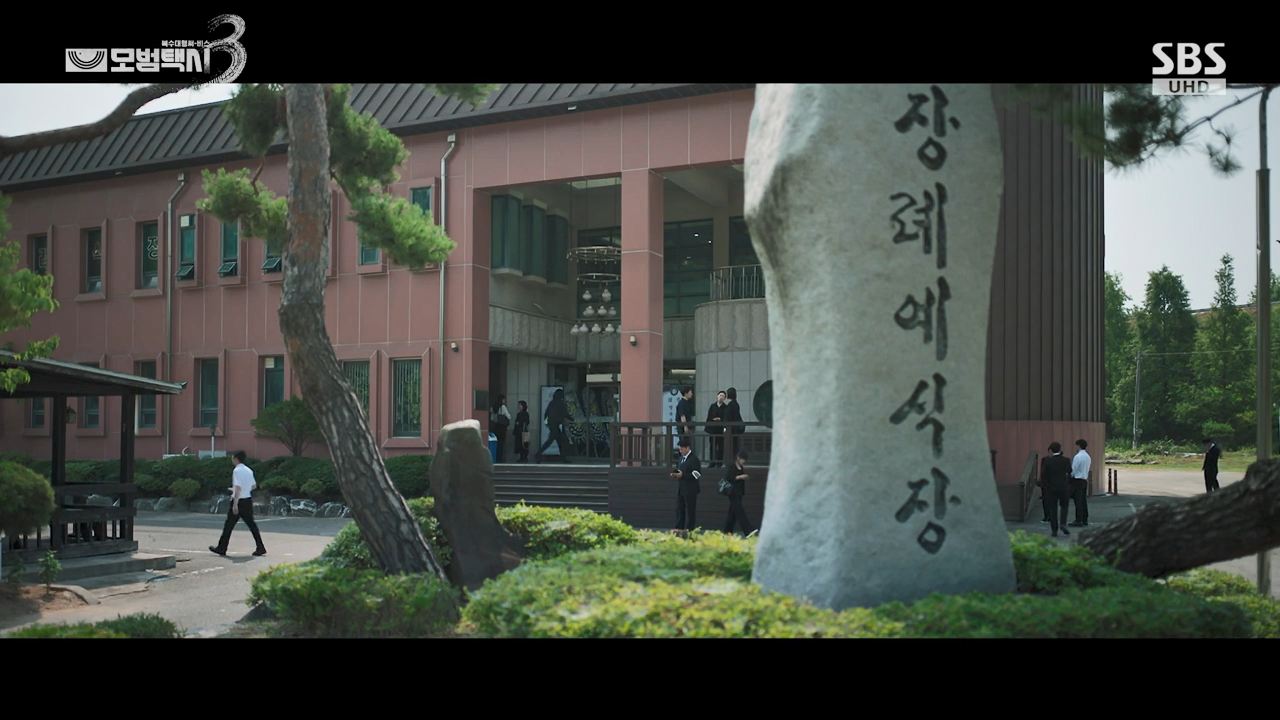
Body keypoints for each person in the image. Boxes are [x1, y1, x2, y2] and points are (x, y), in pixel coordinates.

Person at [209, 451, 266, 557]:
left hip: (239, 500)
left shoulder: (237, 470)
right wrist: (242, 490)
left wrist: (235, 504)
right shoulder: (249, 470)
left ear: (236, 458)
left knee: (229, 525)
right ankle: (260, 547)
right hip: (247, 500)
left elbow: (238, 487)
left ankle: (222, 548)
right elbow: (253, 486)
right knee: (252, 525)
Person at [669, 437, 702, 533]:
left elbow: (697, 474)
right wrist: (675, 474)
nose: (680, 451)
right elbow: (679, 470)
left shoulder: (694, 459)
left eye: (682, 449)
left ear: (687, 448)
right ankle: (679, 528)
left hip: (691, 489)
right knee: (679, 509)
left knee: (690, 510)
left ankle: (690, 530)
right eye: (679, 449)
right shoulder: (681, 459)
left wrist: (683, 475)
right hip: (681, 488)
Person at [1041, 441, 1073, 538]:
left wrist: (1046, 486)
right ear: (1060, 449)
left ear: (1051, 450)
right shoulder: (1066, 460)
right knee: (1064, 506)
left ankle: (1054, 530)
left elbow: (1044, 476)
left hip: (1051, 488)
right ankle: (1063, 523)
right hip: (1063, 487)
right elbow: (1070, 471)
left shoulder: (1047, 461)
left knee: (1053, 509)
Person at [722, 449, 755, 536]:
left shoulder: (741, 467)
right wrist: (740, 477)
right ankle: (748, 531)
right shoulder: (732, 466)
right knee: (740, 512)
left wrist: (744, 477)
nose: (744, 461)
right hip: (732, 492)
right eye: (743, 459)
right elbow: (728, 477)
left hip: (739, 492)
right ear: (738, 458)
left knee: (732, 513)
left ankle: (727, 532)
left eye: (745, 460)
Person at [536, 389, 572, 463]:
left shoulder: (552, 403)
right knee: (555, 441)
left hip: (552, 425)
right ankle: (538, 454)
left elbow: (546, 413)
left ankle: (563, 458)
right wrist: (572, 418)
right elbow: (565, 413)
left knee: (559, 441)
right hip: (556, 425)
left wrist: (547, 423)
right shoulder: (561, 403)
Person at [1069, 438, 1092, 527]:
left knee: (1077, 501)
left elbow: (1073, 469)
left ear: (1078, 446)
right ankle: (1084, 519)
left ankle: (1078, 520)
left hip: (1077, 480)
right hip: (1084, 479)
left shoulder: (1077, 456)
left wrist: (1070, 476)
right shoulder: (1088, 456)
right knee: (1083, 500)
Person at [706, 390, 727, 467]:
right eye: (720, 395)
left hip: (721, 430)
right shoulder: (712, 406)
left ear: (724, 398)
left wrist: (720, 419)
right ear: (717, 396)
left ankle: (719, 463)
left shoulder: (725, 407)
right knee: (712, 446)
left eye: (723, 396)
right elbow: (709, 417)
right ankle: (712, 462)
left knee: (721, 446)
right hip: (713, 429)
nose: (721, 397)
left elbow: (726, 418)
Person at [490, 394, 511, 463]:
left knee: (495, 442)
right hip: (502, 427)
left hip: (496, 427)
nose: (504, 401)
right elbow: (509, 416)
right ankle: (499, 458)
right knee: (501, 444)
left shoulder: (493, 407)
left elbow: (492, 418)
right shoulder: (503, 407)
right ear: (502, 400)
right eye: (504, 399)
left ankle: (495, 457)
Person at [724, 387, 745, 456]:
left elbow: (728, 418)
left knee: (732, 447)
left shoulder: (731, 405)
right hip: (735, 429)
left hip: (731, 430)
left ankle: (732, 460)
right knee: (734, 447)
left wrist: (724, 429)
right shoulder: (735, 404)